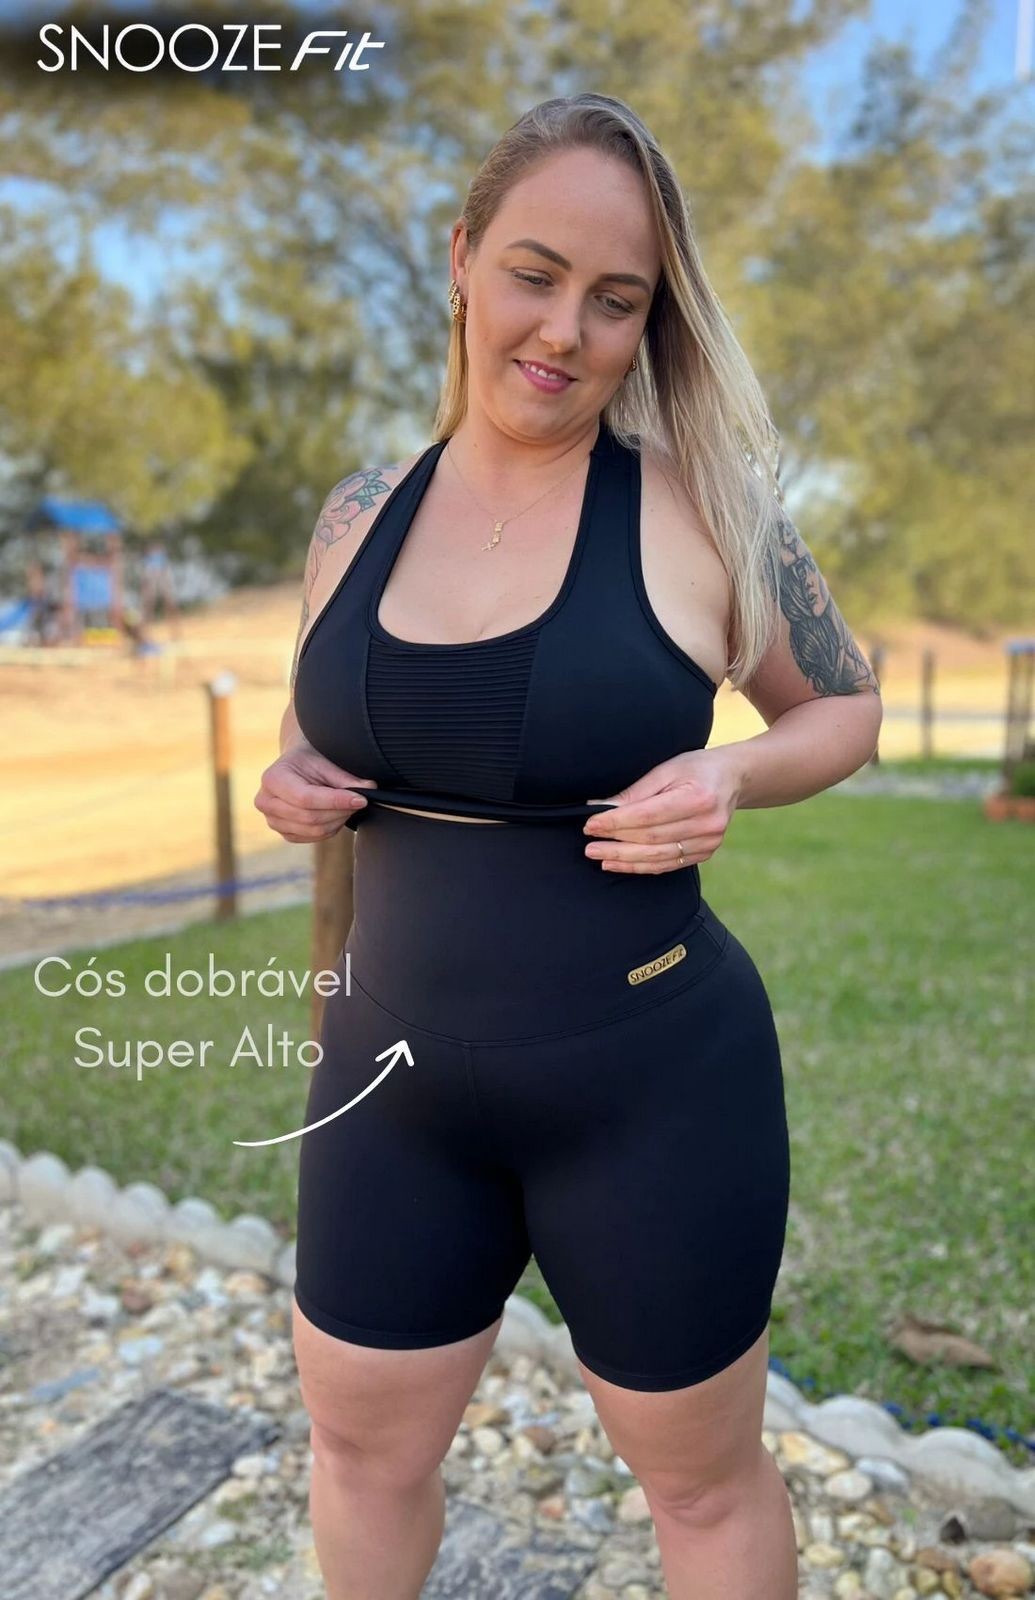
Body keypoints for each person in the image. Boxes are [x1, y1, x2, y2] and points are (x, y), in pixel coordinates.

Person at [254, 93, 882, 1600]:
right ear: (462, 259)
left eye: (616, 299)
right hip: (388, 1083)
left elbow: (845, 708)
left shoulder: (706, 513)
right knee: (360, 1452)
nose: (565, 331)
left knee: (703, 1488)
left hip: (650, 1091)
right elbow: (329, 718)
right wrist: (296, 775)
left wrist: (733, 774)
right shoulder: (358, 513)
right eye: (534, 275)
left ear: (651, 320)